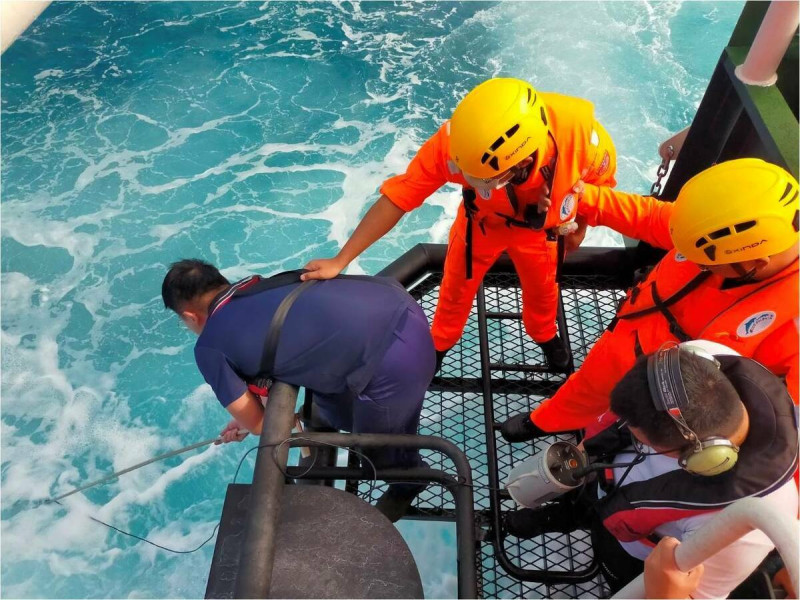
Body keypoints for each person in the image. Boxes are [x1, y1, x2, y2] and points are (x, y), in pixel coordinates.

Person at [302, 77, 618, 371]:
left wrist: (580, 228)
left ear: (521, 161)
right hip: (480, 224)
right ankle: (440, 342)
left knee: (544, 289)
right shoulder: (458, 144)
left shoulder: (584, 141)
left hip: (541, 235)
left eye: (486, 179)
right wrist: (340, 260)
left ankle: (544, 334)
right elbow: (400, 196)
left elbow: (599, 188)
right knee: (455, 286)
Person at [501, 158, 798, 440]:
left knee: (623, 440)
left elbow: (789, 440)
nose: (696, 265)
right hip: (624, 342)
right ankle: (546, 421)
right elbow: (650, 217)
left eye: (704, 263)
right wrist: (583, 197)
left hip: (671, 406)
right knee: (587, 385)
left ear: (755, 262)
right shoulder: (720, 225)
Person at [503, 342, 799, 597]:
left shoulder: (741, 526)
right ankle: (565, 515)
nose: (630, 434)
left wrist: (663, 594)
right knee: (585, 501)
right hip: (605, 484)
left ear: (701, 457)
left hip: (635, 553)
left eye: (641, 439)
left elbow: (699, 594)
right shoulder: (699, 359)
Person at [161, 259, 436, 521]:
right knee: (335, 408)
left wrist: (246, 421)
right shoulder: (257, 284)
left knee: (376, 450)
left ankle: (409, 483)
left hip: (395, 362)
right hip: (402, 304)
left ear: (189, 316)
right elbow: (271, 351)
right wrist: (244, 416)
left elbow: (258, 424)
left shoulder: (209, 347)